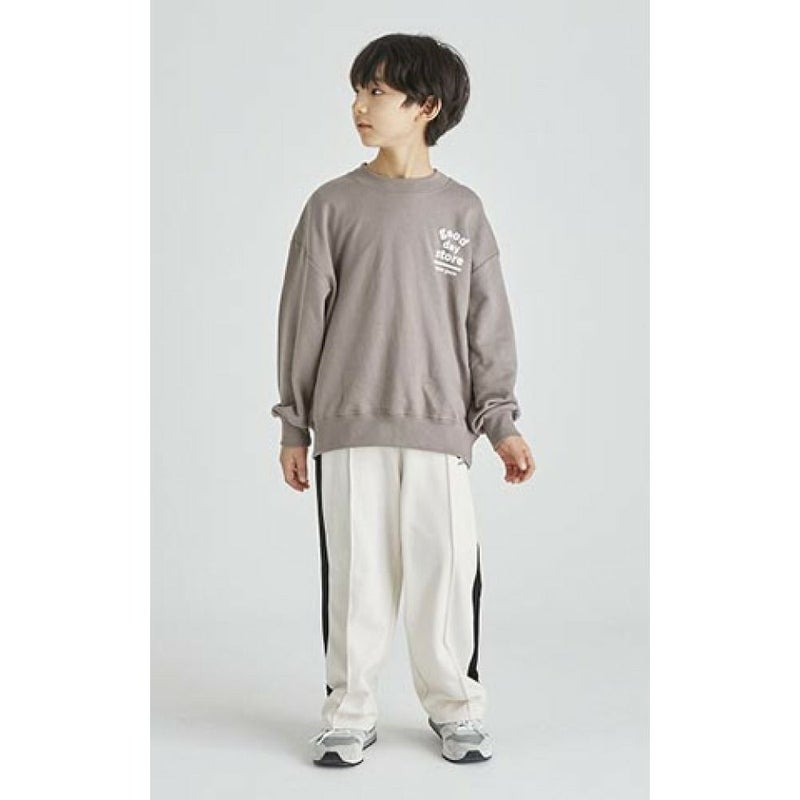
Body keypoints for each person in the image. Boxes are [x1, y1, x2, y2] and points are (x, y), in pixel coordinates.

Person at [270, 32, 536, 767]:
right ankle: (349, 712)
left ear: (427, 106)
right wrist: (294, 425)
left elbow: (487, 326)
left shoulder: (462, 211)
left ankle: (457, 709)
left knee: (444, 573)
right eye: (358, 91)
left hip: (442, 429)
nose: (360, 105)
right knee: (357, 577)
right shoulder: (331, 206)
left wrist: (501, 422)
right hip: (349, 427)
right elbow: (302, 322)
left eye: (377, 91)